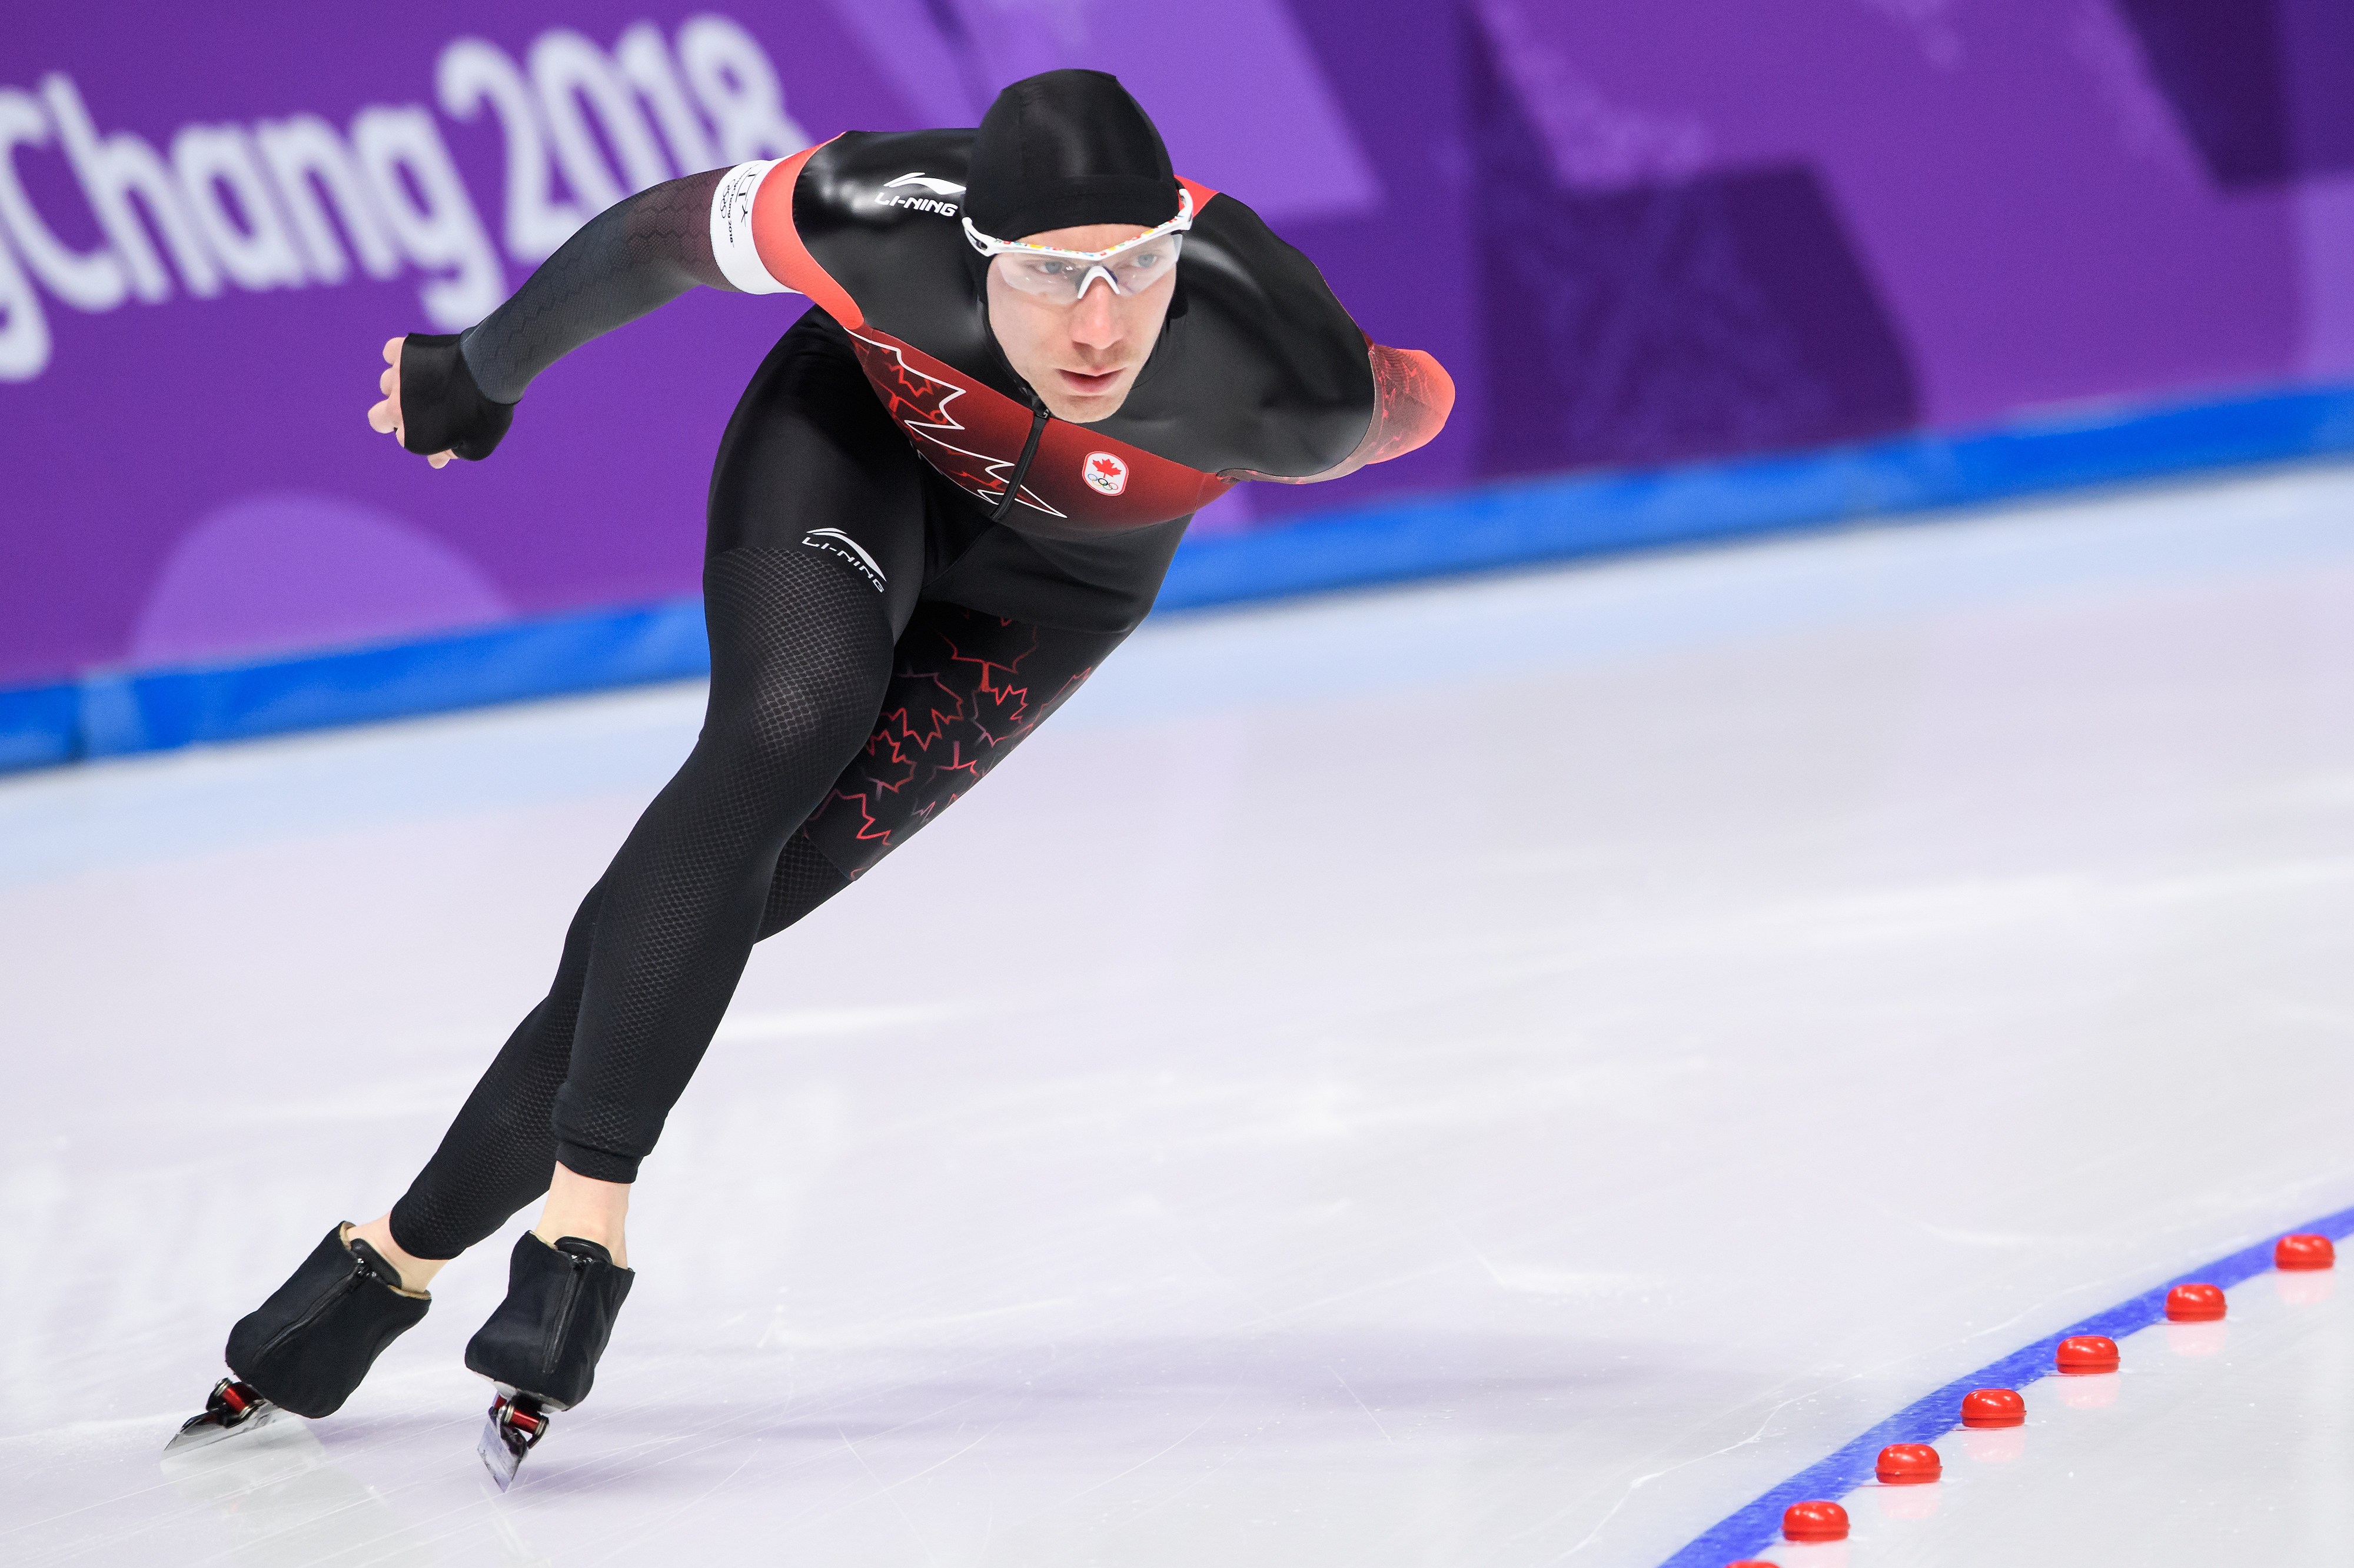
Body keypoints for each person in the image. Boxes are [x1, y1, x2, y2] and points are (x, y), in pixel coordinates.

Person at [171, 69, 1451, 1479]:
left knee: (731, 887)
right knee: (788, 717)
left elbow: (1407, 400)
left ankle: (389, 1262)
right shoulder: (872, 211)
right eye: (1046, 275)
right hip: (853, 449)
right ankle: (583, 1226)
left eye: (1135, 272)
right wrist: (482, 369)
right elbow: (660, 236)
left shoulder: (1290, 379)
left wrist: (1398, 392)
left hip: (1049, 596)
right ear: (975, 248)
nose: (1098, 326)